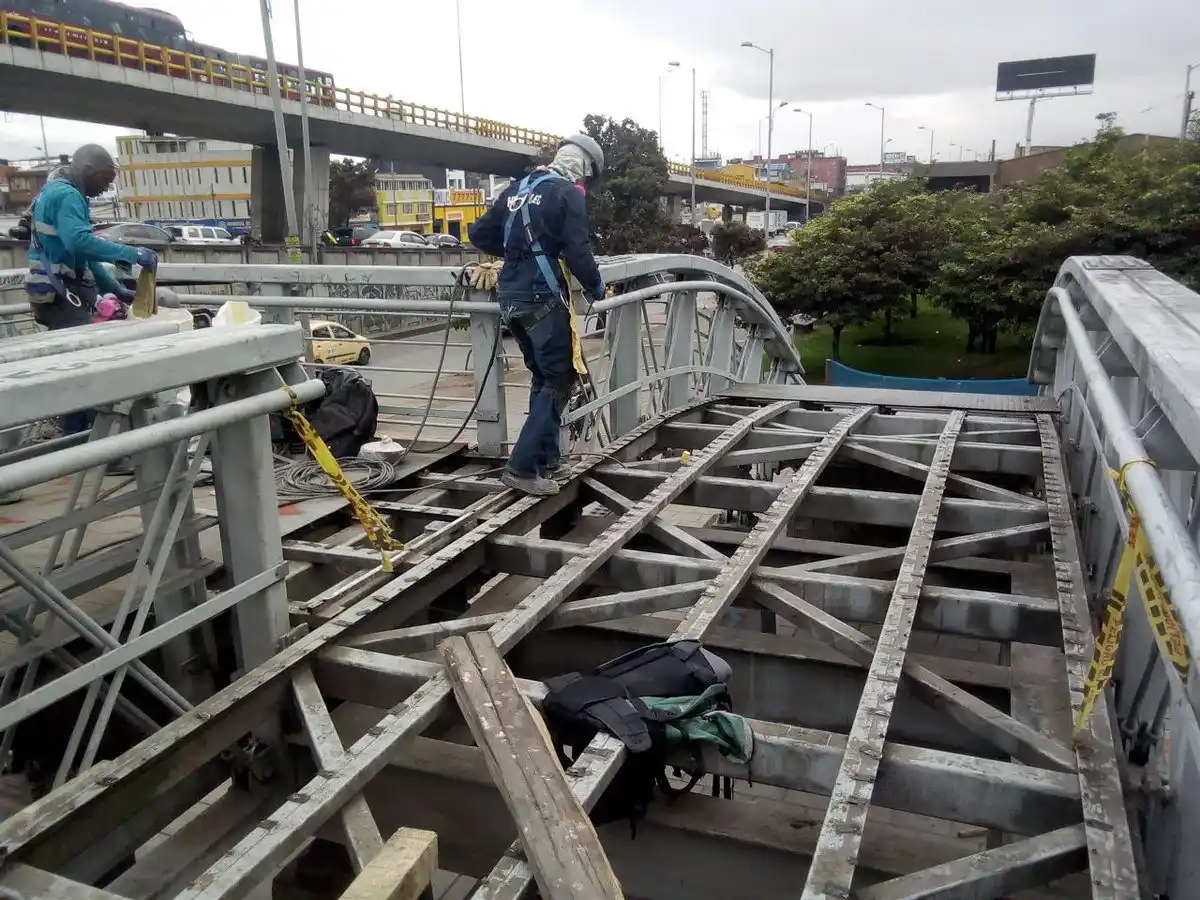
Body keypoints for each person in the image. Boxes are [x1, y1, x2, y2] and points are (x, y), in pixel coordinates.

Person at [468, 134, 607, 497]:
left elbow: (479, 232)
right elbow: (578, 250)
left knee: (541, 378)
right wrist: (596, 287)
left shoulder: (519, 188)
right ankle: (522, 468)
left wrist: (519, 250)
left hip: (510, 294)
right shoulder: (568, 194)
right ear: (585, 169)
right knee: (558, 380)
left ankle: (547, 459)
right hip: (542, 297)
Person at [25, 144, 158, 437]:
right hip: (60, 294)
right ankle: (98, 447)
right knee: (87, 369)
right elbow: (78, 242)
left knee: (75, 366)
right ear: (87, 171)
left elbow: (81, 252)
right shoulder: (67, 195)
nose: (104, 190)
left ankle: (77, 438)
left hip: (58, 292)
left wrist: (114, 288)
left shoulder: (64, 193)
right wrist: (130, 254)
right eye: (103, 181)